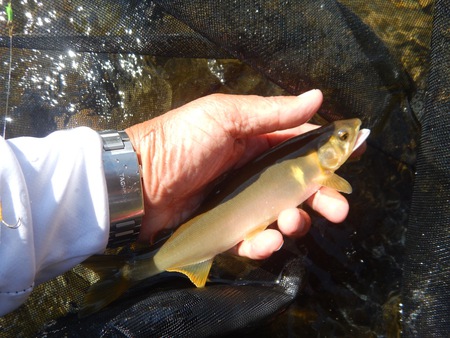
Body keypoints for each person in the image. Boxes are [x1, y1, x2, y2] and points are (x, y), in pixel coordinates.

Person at [0, 89, 352, 316]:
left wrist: (145, 174)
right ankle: (130, 272)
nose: (350, 134)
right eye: (344, 137)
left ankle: (129, 272)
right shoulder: (323, 168)